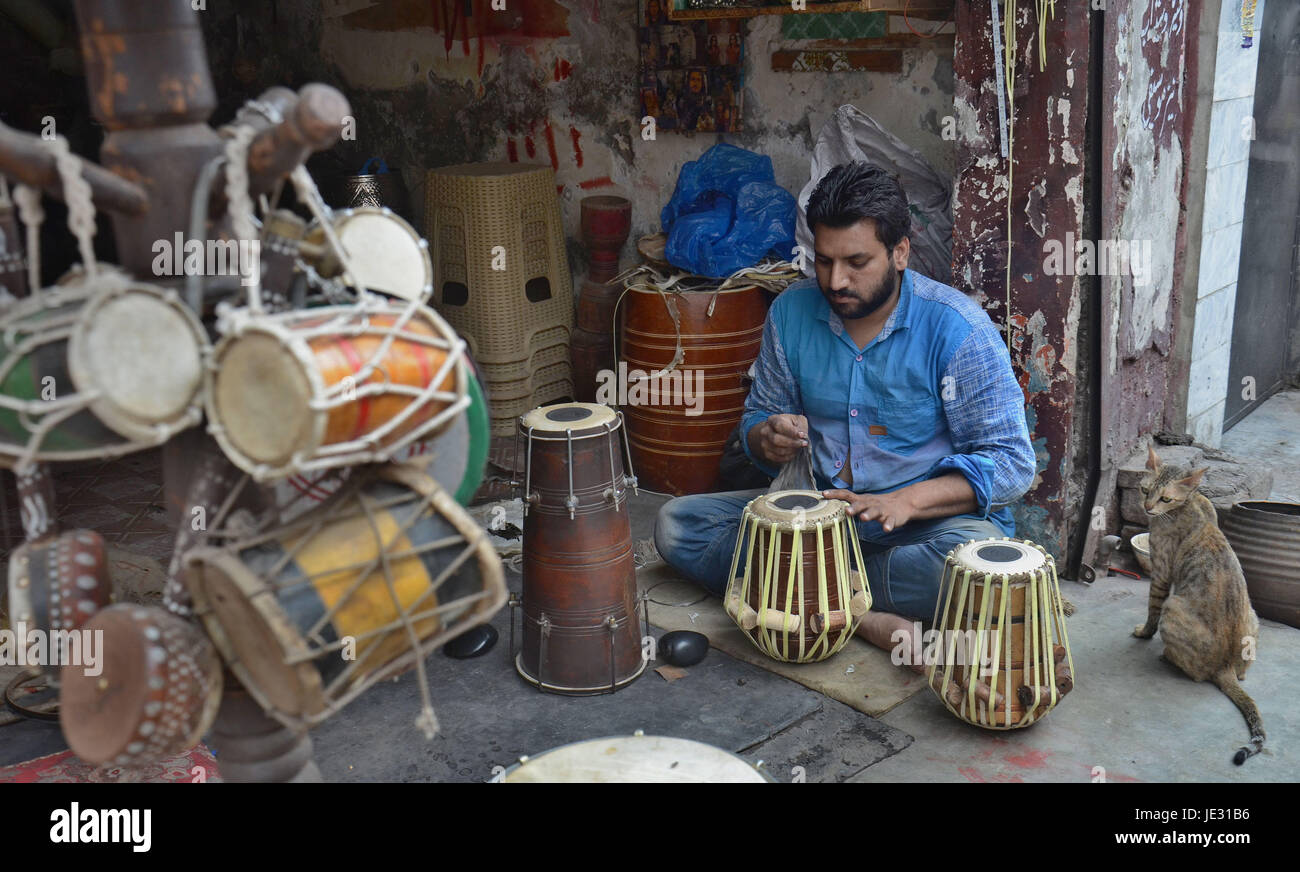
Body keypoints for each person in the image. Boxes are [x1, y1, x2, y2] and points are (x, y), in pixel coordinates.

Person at [653, 161, 1036, 670]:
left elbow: (1012, 464)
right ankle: (864, 614)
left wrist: (908, 500)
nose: (836, 280)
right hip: (817, 518)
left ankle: (801, 594)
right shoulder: (791, 312)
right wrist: (764, 436)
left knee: (973, 564)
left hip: (925, 528)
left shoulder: (957, 330)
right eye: (824, 260)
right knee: (677, 526)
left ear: (900, 252)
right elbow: (758, 416)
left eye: (857, 261)